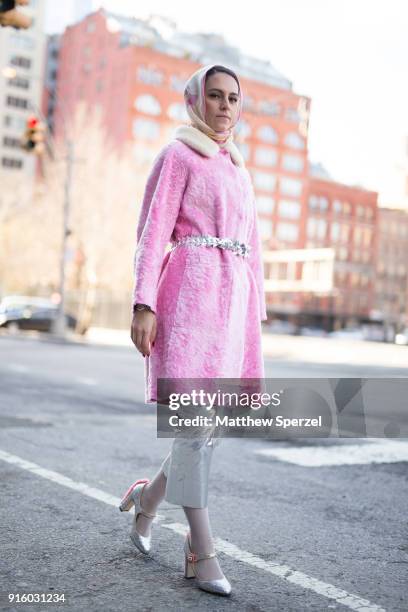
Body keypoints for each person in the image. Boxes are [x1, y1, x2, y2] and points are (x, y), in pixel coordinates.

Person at [119, 64, 267, 597]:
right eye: (215, 95)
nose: (225, 105)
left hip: (231, 312)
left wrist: (257, 312)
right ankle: (203, 551)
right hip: (186, 302)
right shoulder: (177, 155)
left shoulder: (240, 169)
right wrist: (143, 302)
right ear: (195, 99)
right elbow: (151, 230)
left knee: (204, 433)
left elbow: (254, 248)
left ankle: (146, 500)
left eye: (233, 98)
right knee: (191, 430)